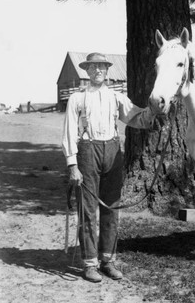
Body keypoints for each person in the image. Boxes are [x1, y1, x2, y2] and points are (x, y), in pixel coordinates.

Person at [62, 52, 158, 283]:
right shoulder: (77, 98)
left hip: (113, 151)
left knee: (112, 207)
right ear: (86, 71)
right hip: (87, 151)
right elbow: (68, 133)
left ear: (107, 71)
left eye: (102, 67)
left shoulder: (117, 97)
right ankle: (89, 263)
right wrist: (72, 165)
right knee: (87, 209)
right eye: (93, 67)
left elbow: (138, 118)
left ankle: (108, 260)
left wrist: (156, 111)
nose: (97, 71)